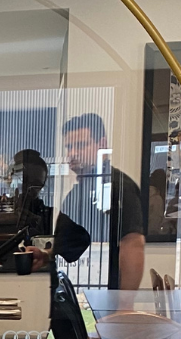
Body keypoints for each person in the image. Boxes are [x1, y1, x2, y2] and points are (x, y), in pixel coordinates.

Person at [45, 114, 145, 289]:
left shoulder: (121, 188)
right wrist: (46, 255)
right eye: (69, 147)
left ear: (102, 144)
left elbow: (133, 245)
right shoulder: (75, 194)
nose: (73, 153)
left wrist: (124, 305)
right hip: (73, 296)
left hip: (104, 297)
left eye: (81, 145)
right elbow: (69, 245)